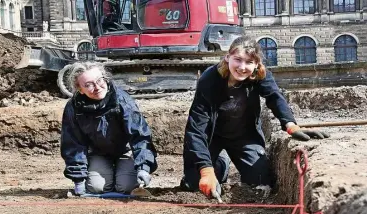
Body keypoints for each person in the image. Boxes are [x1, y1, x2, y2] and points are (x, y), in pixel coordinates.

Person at [181, 36, 330, 199]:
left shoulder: (259, 75)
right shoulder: (209, 79)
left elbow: (274, 97)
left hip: (244, 136)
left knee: (260, 181)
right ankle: (220, 164)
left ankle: (225, 162)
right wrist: (206, 170)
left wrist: (290, 124)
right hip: (212, 137)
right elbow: (196, 129)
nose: (242, 67)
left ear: (257, 64)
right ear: (227, 57)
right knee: (194, 184)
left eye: (249, 62)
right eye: (237, 59)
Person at [60, 62, 157, 195]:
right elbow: (73, 145)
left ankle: (120, 174)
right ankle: (107, 175)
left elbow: (139, 135)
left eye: (99, 80)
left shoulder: (122, 100)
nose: (97, 87)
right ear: (79, 89)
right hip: (97, 153)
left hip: (125, 151)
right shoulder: (73, 108)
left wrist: (143, 167)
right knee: (96, 188)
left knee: (126, 187)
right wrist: (79, 180)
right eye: (88, 85)